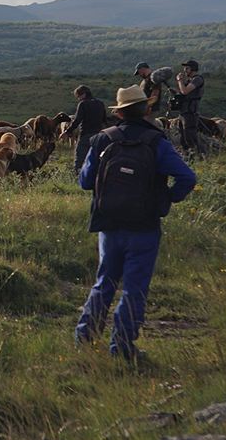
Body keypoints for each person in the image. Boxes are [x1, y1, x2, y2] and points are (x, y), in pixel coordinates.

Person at [75, 85, 196, 361]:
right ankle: (121, 348)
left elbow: (84, 182)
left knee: (104, 281)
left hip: (108, 225)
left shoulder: (102, 140)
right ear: (146, 109)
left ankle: (84, 338)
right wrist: (164, 200)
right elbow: (187, 178)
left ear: (118, 113)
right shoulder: (157, 142)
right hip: (144, 226)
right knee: (134, 287)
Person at [60, 85, 106, 174]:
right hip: (98, 135)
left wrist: (67, 131)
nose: (78, 99)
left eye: (78, 96)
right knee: (97, 157)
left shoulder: (83, 104)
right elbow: (104, 120)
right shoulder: (100, 103)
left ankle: (78, 177)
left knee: (80, 158)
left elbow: (77, 120)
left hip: (86, 135)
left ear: (84, 94)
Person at [176, 59, 205, 158]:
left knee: (190, 136)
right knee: (183, 136)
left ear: (192, 68)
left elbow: (185, 91)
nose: (184, 70)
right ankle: (187, 155)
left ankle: (198, 155)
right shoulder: (190, 80)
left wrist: (180, 81)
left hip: (191, 112)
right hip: (184, 111)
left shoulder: (197, 79)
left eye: (187, 68)